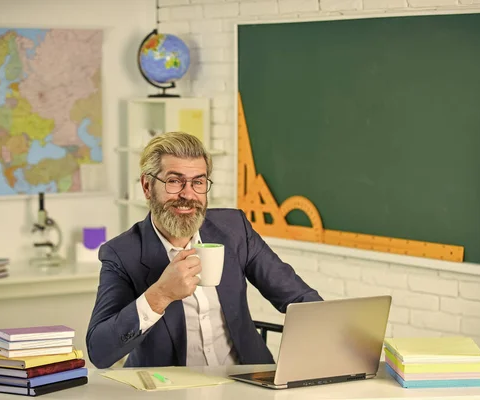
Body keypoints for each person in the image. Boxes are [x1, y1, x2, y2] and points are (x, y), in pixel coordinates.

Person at [86, 131, 322, 369]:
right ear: (147, 187)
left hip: (247, 381)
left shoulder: (234, 229)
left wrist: (342, 338)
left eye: (198, 182)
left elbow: (297, 297)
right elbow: (100, 351)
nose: (188, 194)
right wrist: (161, 295)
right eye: (174, 181)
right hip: (170, 389)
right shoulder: (121, 253)